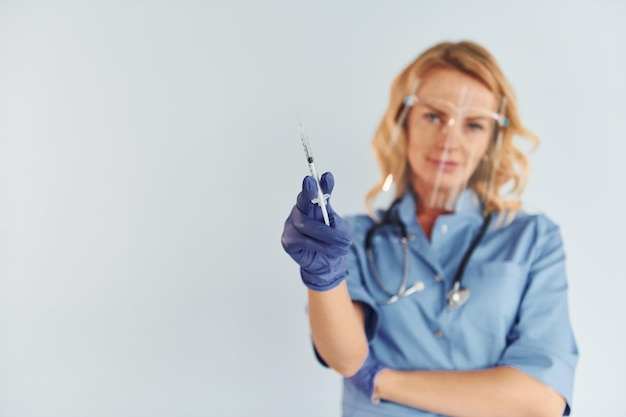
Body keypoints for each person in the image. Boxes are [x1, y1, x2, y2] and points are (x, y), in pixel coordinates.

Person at [281, 40, 578, 417]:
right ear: (403, 121)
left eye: (473, 125)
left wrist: (379, 381)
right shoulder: (347, 239)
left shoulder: (533, 241)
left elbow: (540, 400)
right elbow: (344, 356)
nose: (450, 140)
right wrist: (323, 277)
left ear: (492, 139)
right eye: (434, 117)